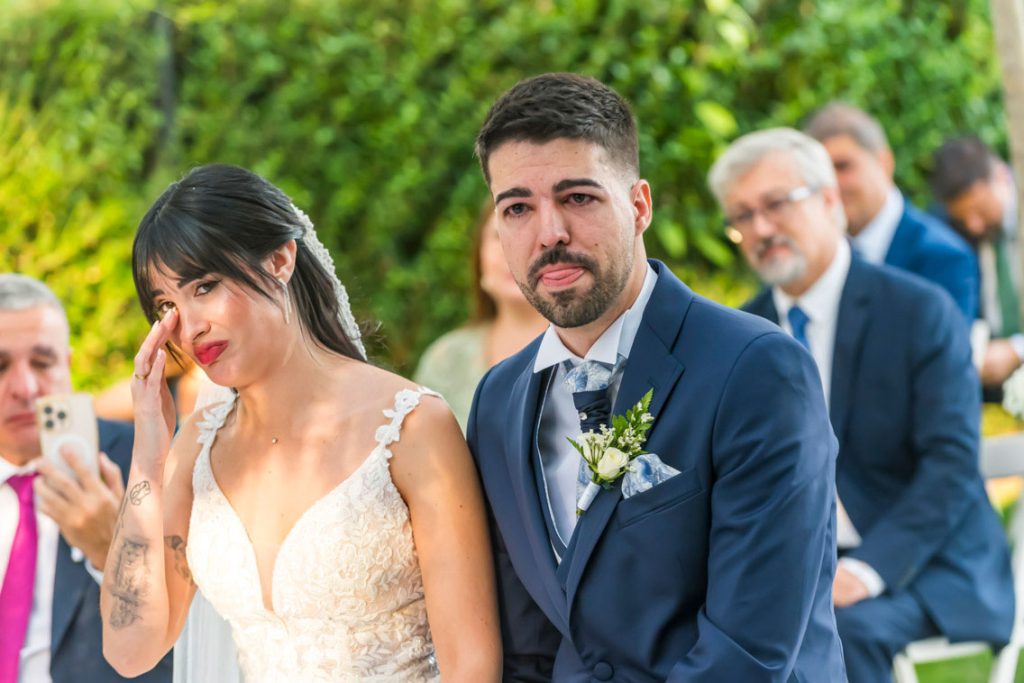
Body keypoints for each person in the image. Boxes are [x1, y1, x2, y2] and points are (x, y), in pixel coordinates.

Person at [468, 72, 845, 681]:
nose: (550, 233)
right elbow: (528, 646)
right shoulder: (498, 402)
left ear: (639, 205)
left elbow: (749, 653)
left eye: (578, 198)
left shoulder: (758, 369)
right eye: (518, 208)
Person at [98, 164, 500, 682]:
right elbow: (129, 649)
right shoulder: (195, 449)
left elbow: (473, 667)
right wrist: (148, 456)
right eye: (167, 305)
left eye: (205, 286)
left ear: (281, 259)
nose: (191, 326)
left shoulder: (412, 427)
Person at [717, 128, 1014, 682]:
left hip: (926, 565)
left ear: (830, 200)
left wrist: (868, 570)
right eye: (742, 215)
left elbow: (950, 466)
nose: (760, 228)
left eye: (776, 205)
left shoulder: (918, 311)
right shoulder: (742, 332)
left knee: (835, 632)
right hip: (803, 572)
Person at [0, 274, 171, 683]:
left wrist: (111, 553)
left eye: (42, 362)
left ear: (68, 365)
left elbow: (184, 659)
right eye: (0, 366)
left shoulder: (147, 463)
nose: (25, 387)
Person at [803, 102, 978, 321]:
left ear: (884, 162)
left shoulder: (943, 256)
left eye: (843, 166)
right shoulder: (806, 258)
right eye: (822, 174)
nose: (832, 184)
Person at [414, 200, 547, 430]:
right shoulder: (445, 360)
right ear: (479, 255)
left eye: (528, 236)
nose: (510, 252)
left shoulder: (588, 351)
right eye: (498, 236)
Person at [931, 136, 1023, 395]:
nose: (974, 225)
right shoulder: (948, 231)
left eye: (981, 209)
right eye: (963, 218)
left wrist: (1017, 350)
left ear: (1002, 177)